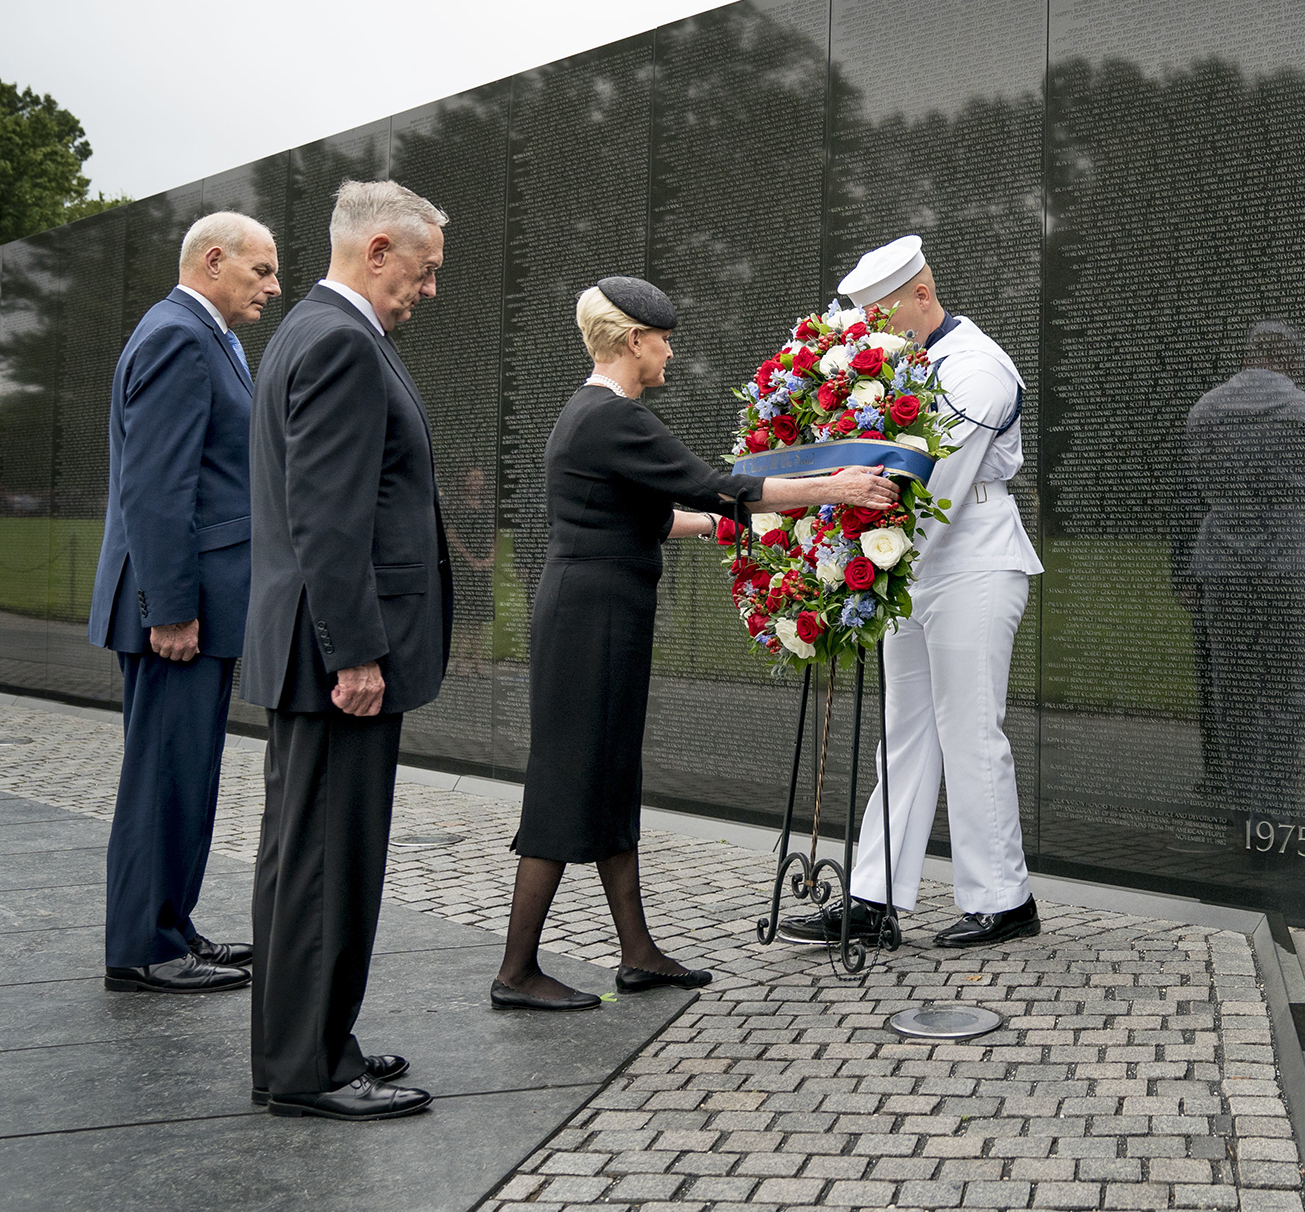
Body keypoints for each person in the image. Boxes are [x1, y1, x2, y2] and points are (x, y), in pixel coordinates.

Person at [491, 278, 897, 1010]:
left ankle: (638, 952)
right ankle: (516, 972)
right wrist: (835, 488)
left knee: (610, 775)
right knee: (569, 777)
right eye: (664, 338)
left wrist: (723, 528)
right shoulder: (614, 418)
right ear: (634, 341)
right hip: (595, 620)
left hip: (594, 610)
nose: (671, 350)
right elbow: (718, 486)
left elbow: (651, 517)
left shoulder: (595, 418)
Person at [242, 180, 453, 1122]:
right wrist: (356, 654)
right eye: (425, 269)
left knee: (308, 861)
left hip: (318, 649)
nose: (430, 289)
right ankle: (306, 1072)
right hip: (339, 660)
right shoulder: (337, 342)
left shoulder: (310, 332)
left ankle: (316, 1043)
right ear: (377, 252)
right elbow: (329, 519)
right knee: (327, 865)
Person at [780, 235, 1047, 949]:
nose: (871, 333)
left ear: (922, 297)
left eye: (881, 317)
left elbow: (933, 489)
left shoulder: (977, 367)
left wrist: (850, 559)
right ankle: (874, 900)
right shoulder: (912, 360)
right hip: (907, 565)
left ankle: (1002, 899)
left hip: (971, 563)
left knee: (970, 730)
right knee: (902, 738)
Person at [90, 212, 279, 996]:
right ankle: (144, 948)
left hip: (196, 604)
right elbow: (157, 488)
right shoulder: (178, 336)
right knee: (165, 778)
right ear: (213, 262)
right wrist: (169, 609)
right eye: (261, 270)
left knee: (186, 774)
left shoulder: (199, 336)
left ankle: (171, 924)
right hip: (179, 611)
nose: (272, 286)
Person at [1172, 320, 1305, 850]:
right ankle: (1273, 813)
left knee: (1233, 693)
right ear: (1289, 358)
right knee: (1285, 690)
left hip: (1224, 561)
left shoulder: (1206, 410)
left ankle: (1241, 812)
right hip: (1288, 559)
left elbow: (1196, 481)